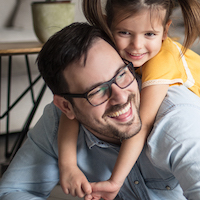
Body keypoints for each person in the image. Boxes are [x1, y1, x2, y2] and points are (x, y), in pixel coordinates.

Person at [0, 22, 200, 200]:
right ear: (66, 107)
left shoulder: (177, 118)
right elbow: (11, 191)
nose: (121, 97)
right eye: (97, 91)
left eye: (121, 74)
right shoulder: (57, 121)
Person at [57, 0, 200, 198]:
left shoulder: (163, 60)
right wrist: (67, 166)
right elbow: (74, 109)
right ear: (108, 25)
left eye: (149, 34)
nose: (137, 46)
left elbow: (142, 124)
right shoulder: (106, 48)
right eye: (125, 32)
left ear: (165, 31)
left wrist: (115, 181)